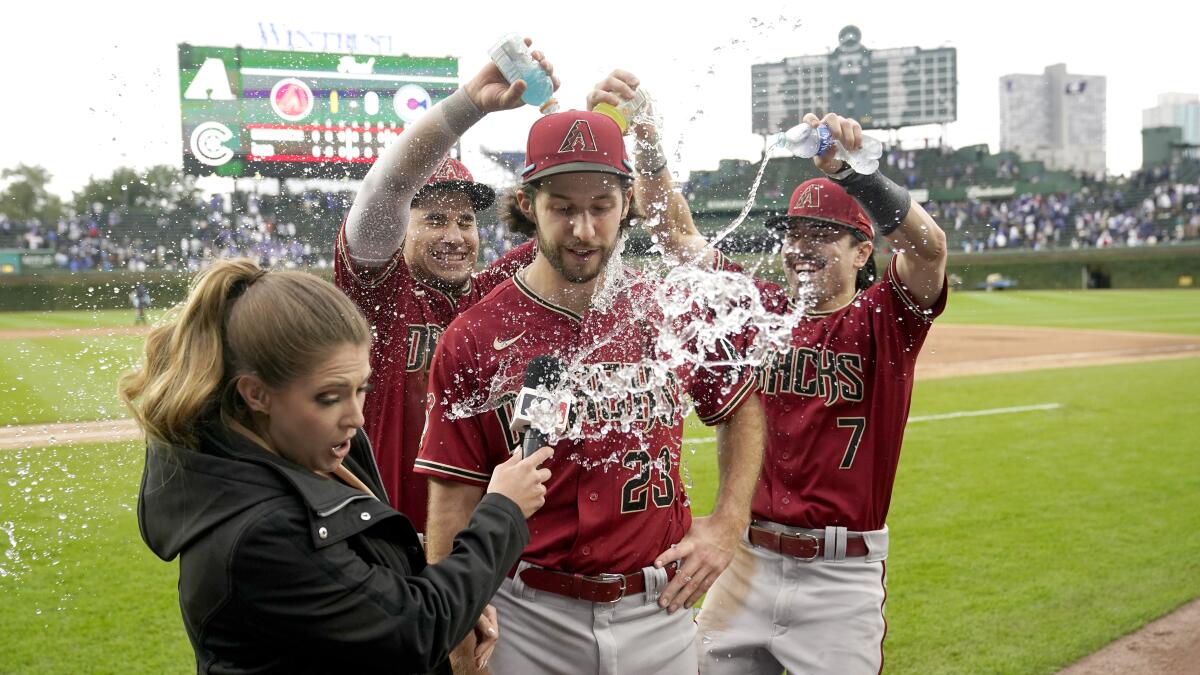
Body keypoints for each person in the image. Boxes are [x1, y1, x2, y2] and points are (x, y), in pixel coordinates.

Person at [415, 98, 766, 674]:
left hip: (659, 609)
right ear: (528, 205)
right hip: (528, 616)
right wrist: (455, 633)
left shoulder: (663, 310)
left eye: (601, 206)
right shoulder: (475, 334)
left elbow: (741, 405)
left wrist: (729, 524)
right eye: (563, 208)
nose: (583, 229)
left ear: (627, 203)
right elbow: (452, 505)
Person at [624, 76, 948, 672]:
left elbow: (929, 249)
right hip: (744, 559)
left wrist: (858, 177)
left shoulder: (884, 320)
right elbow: (675, 235)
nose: (802, 246)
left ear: (862, 252)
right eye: (796, 233)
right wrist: (644, 131)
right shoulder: (758, 308)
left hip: (840, 577)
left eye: (824, 235)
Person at [121, 259, 553, 674]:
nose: (355, 416)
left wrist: (458, 595)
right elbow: (416, 629)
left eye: (361, 388)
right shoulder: (258, 531)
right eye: (329, 396)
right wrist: (503, 510)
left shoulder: (313, 446)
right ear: (256, 394)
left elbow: (374, 587)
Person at [335, 38, 556, 532]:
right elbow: (387, 187)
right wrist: (469, 104)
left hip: (482, 547)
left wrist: (586, 127)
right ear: (401, 228)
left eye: (465, 221)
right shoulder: (378, 294)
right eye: (434, 220)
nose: (454, 237)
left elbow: (578, 227)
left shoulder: (495, 292)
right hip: (389, 543)